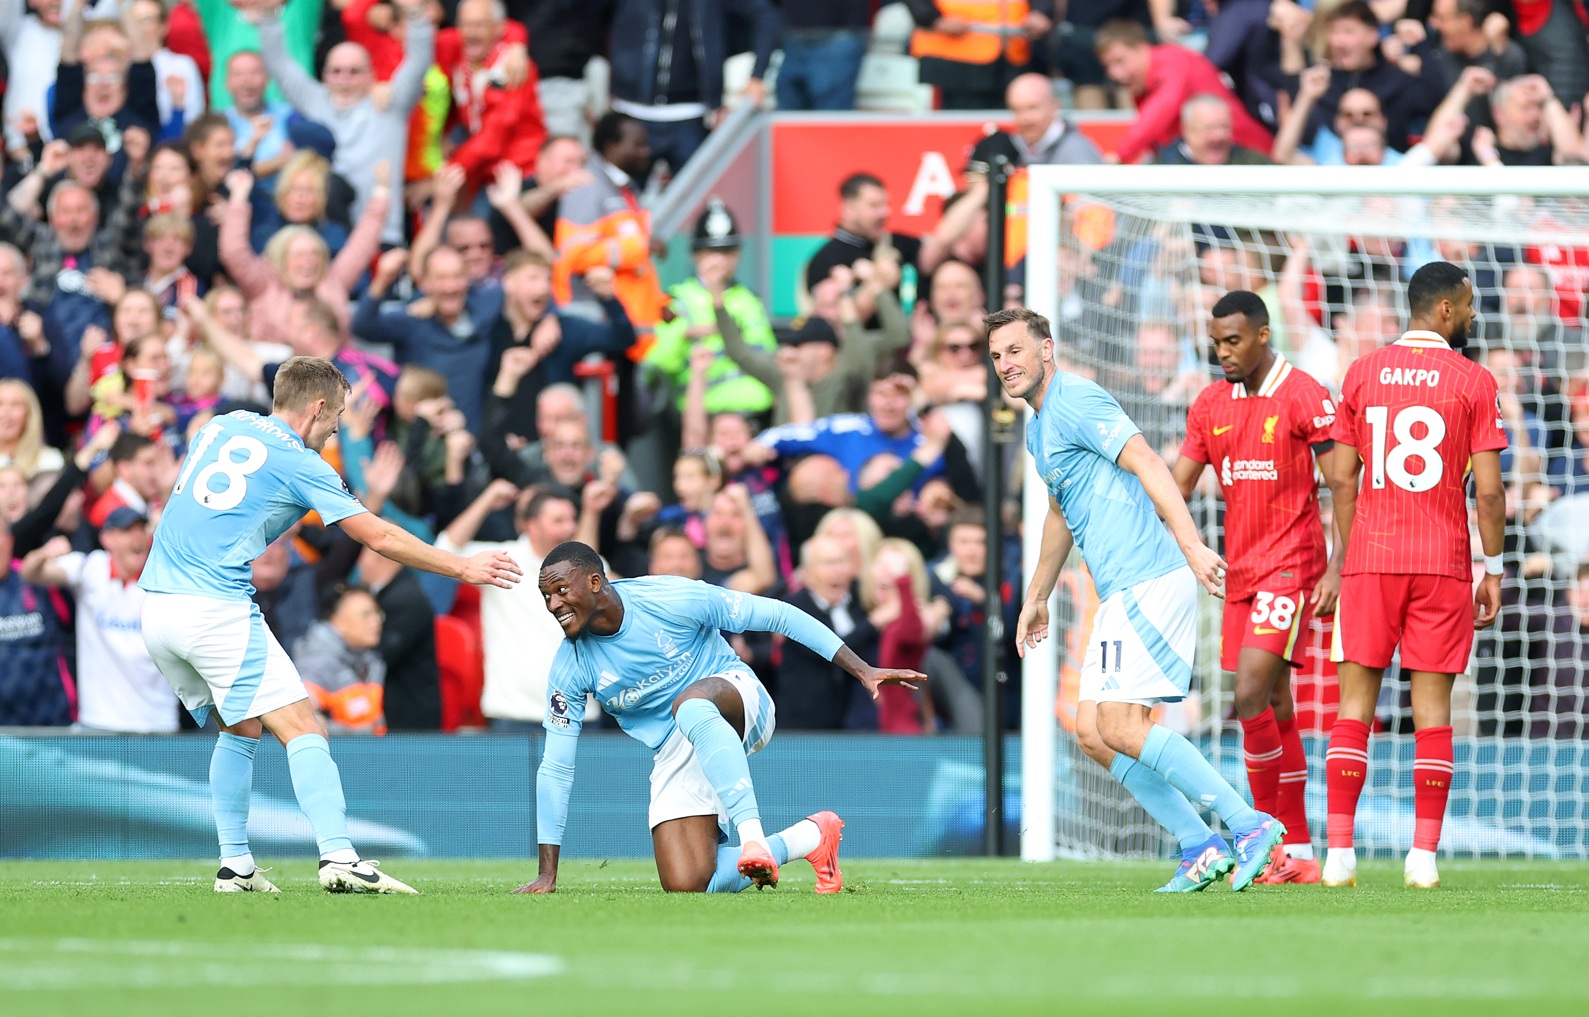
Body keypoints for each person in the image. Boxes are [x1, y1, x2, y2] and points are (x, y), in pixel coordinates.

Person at [138, 356, 521, 895]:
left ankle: (235, 868)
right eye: (336, 418)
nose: (335, 430)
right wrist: (462, 566)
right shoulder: (301, 462)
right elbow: (379, 537)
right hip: (213, 607)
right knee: (304, 728)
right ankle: (340, 857)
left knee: (240, 726)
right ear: (316, 407)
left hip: (156, 605)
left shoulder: (219, 425)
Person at [990, 306, 1284, 892]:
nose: (1006, 365)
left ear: (1047, 349)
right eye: (997, 356)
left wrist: (1194, 545)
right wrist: (1037, 595)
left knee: (1123, 726)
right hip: (1119, 590)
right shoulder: (1039, 426)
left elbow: (1148, 460)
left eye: (1016, 351)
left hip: (1149, 579)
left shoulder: (1077, 399)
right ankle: (1199, 844)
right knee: (1092, 731)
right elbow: (1058, 512)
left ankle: (1248, 825)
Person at [517, 539, 924, 895]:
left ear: (593, 582)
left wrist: (862, 669)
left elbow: (779, 615)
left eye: (560, 591)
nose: (554, 606)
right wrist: (546, 873)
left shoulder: (670, 597)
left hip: (739, 700)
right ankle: (811, 837)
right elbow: (555, 768)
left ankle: (752, 838)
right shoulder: (569, 666)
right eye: (546, 598)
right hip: (678, 744)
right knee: (689, 881)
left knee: (690, 704)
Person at [1321, 262, 1508, 890]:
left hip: (1373, 559)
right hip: (1443, 561)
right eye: (1471, 304)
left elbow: (1341, 476)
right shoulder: (1474, 379)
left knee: (1355, 706)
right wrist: (1494, 566)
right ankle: (1423, 858)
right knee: (1432, 712)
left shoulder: (1362, 372)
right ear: (1447, 310)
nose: (1475, 314)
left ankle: (1340, 853)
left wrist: (1355, 548)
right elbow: (1488, 492)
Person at [1171, 291, 1341, 884]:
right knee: (1273, 706)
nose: (1222, 352)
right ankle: (1298, 852)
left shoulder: (1305, 394)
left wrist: (1338, 568)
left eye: (1233, 341)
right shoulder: (1210, 403)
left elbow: (1344, 481)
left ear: (1264, 335)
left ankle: (1264, 839)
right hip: (1239, 575)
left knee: (1246, 696)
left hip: (1290, 569)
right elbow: (1178, 487)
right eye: (1216, 341)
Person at [436, 482, 580, 729]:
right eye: (558, 520)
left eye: (572, 519)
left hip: (578, 712)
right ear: (532, 526)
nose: (570, 528)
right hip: (513, 712)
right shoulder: (502, 560)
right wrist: (487, 498)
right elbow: (445, 551)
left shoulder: (588, 564)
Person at [1093, 18, 1273, 165]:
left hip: (1249, 160)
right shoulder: (1144, 86)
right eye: (1108, 66)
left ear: (1141, 48)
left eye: (1119, 61)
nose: (1114, 73)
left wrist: (1119, 155)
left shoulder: (1173, 61)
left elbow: (1163, 108)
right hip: (1217, 163)